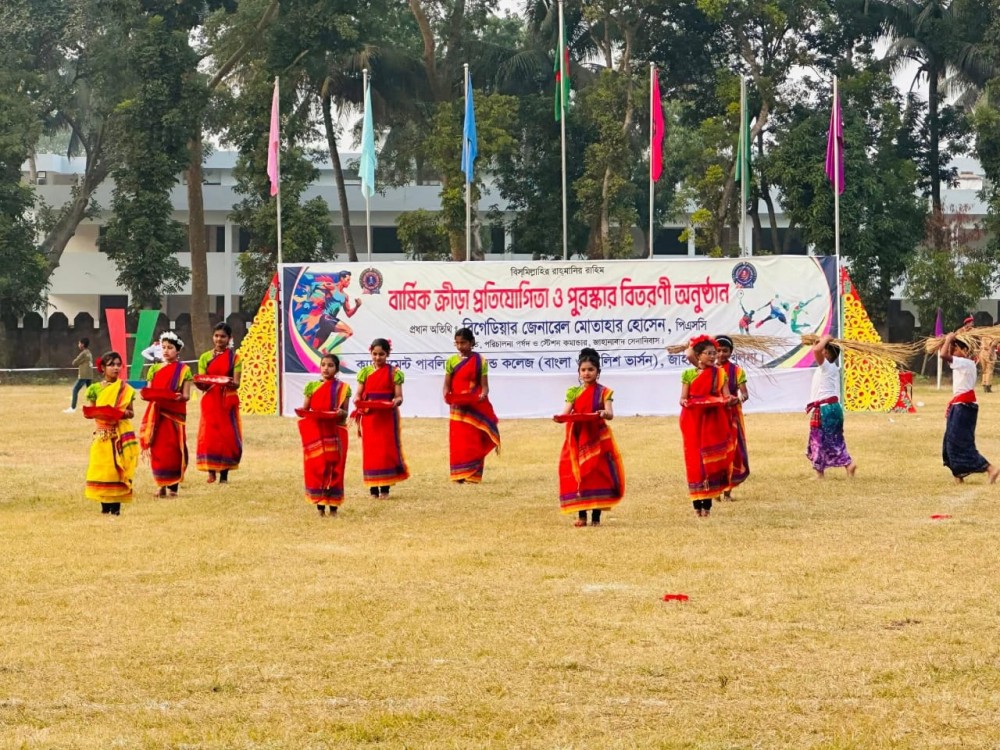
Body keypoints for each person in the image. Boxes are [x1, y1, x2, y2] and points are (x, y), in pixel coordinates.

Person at [555, 348, 625, 527]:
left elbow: (610, 414)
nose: (587, 373)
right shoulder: (573, 392)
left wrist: (603, 413)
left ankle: (595, 517)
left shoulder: (604, 392)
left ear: (598, 372)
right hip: (577, 437)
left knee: (596, 474)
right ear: (579, 372)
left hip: (597, 437)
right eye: (583, 370)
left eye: (591, 370)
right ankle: (581, 515)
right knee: (578, 473)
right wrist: (559, 418)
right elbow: (566, 413)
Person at [679, 335, 737, 517]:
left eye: (715, 353)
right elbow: (683, 398)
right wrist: (685, 402)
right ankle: (697, 505)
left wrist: (731, 400)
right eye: (709, 353)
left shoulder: (720, 373)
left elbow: (726, 396)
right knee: (695, 459)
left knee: (711, 460)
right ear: (699, 355)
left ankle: (708, 506)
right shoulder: (688, 374)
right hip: (692, 420)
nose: (714, 356)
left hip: (714, 420)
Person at [84, 351, 139, 515]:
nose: (116, 368)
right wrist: (99, 413)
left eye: (118, 365)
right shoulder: (94, 389)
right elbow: (91, 412)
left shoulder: (126, 389)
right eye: (111, 365)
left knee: (117, 470)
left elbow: (131, 413)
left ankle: (116, 509)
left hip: (119, 435)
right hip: (102, 435)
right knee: (103, 470)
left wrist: (120, 413)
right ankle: (104, 507)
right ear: (102, 367)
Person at [940, 332, 1000, 483]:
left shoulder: (966, 363)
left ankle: (990, 468)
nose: (953, 351)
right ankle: (958, 476)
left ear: (965, 350)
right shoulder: (961, 363)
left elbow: (943, 355)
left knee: (960, 442)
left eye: (956, 349)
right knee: (950, 441)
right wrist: (950, 342)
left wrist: (948, 339)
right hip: (959, 406)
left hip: (964, 407)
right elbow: (947, 355)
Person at [443, 327, 501, 483]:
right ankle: (458, 474)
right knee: (458, 441)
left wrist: (482, 395)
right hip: (457, 407)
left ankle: (473, 475)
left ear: (472, 342)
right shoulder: (451, 361)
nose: (460, 346)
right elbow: (447, 385)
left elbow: (485, 386)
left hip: (474, 406)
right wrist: (446, 396)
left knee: (473, 440)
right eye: (457, 343)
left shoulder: (480, 361)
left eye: (463, 343)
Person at [353, 338, 409, 498]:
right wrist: (357, 400)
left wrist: (396, 401)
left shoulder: (394, 373)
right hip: (370, 416)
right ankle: (373, 489)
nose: (378, 357)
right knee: (371, 452)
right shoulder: (365, 372)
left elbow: (399, 396)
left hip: (387, 417)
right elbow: (358, 393)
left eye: (381, 354)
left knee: (385, 451)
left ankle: (385, 488)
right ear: (370, 353)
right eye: (375, 354)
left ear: (388, 354)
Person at [139, 331, 193, 497]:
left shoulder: (184, 370)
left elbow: (186, 395)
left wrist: (177, 397)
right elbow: (150, 391)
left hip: (174, 415)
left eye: (170, 347)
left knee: (173, 450)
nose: (166, 351)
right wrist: (146, 395)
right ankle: (160, 485)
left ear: (178, 350)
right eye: (163, 347)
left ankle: (173, 487)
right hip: (157, 415)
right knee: (157, 450)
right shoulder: (154, 369)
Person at [300, 353, 351, 515]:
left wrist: (340, 413)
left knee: (336, 468)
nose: (326, 368)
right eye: (323, 365)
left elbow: (345, 414)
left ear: (337, 369)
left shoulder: (343, 388)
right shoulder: (312, 386)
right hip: (318, 433)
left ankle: (333, 507)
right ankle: (320, 506)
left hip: (336, 432)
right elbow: (305, 410)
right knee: (318, 467)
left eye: (330, 365)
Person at [195, 322, 243, 484]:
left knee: (226, 436)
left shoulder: (235, 358)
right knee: (209, 435)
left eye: (223, 336)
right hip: (210, 400)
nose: (219, 339)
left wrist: (227, 382)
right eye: (216, 336)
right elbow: (203, 382)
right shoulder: (205, 358)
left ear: (230, 338)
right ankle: (210, 471)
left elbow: (237, 383)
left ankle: (224, 475)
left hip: (226, 401)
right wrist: (199, 383)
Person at [805, 334, 857, 480]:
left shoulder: (826, 366)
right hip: (831, 408)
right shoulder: (829, 367)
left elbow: (816, 350)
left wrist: (826, 338)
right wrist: (819, 342)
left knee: (820, 439)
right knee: (829, 439)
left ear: (826, 354)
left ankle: (846, 464)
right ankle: (824, 471)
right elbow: (817, 349)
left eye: (823, 350)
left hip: (825, 410)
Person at [715, 336, 750, 499]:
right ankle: (714, 490)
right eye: (718, 350)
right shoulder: (707, 370)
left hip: (731, 415)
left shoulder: (737, 371)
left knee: (732, 452)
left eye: (725, 351)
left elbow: (744, 393)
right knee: (715, 451)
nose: (721, 354)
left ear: (731, 352)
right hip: (713, 415)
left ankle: (727, 492)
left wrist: (739, 399)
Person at [65, 338, 94, 413]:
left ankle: (72, 408)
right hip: (89, 374)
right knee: (90, 391)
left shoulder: (83, 353)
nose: (78, 345)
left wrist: (79, 362)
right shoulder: (89, 352)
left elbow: (74, 362)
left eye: (79, 343)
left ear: (82, 344)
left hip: (84, 374)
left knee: (75, 389)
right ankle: (94, 406)